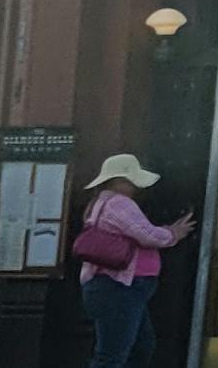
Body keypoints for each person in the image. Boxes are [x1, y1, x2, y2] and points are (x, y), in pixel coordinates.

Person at [76, 155, 193, 368]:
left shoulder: (100, 202)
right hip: (118, 287)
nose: (135, 188)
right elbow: (147, 235)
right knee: (114, 354)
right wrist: (173, 233)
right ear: (120, 181)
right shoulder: (119, 203)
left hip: (115, 288)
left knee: (137, 346)